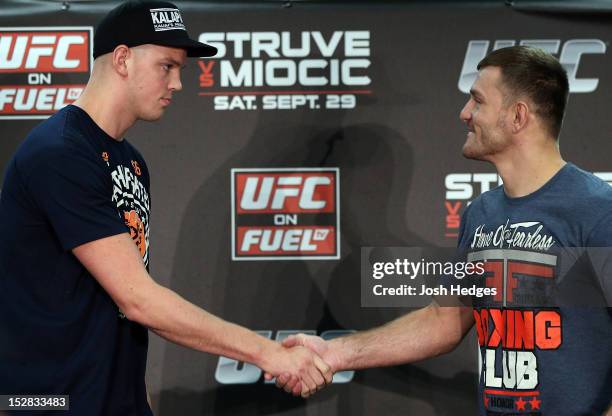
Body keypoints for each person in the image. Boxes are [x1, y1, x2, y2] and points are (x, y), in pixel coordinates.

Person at [0, 1, 331, 414]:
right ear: (122, 59)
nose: (177, 84)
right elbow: (139, 299)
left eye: (180, 70)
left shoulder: (131, 162)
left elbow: (126, 309)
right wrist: (270, 354)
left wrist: (140, 400)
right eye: (166, 66)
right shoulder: (60, 153)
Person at [275, 46, 612, 415]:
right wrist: (334, 352)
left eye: (478, 101)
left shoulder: (597, 212)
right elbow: (446, 318)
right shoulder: (481, 215)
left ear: (518, 116)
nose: (465, 113)